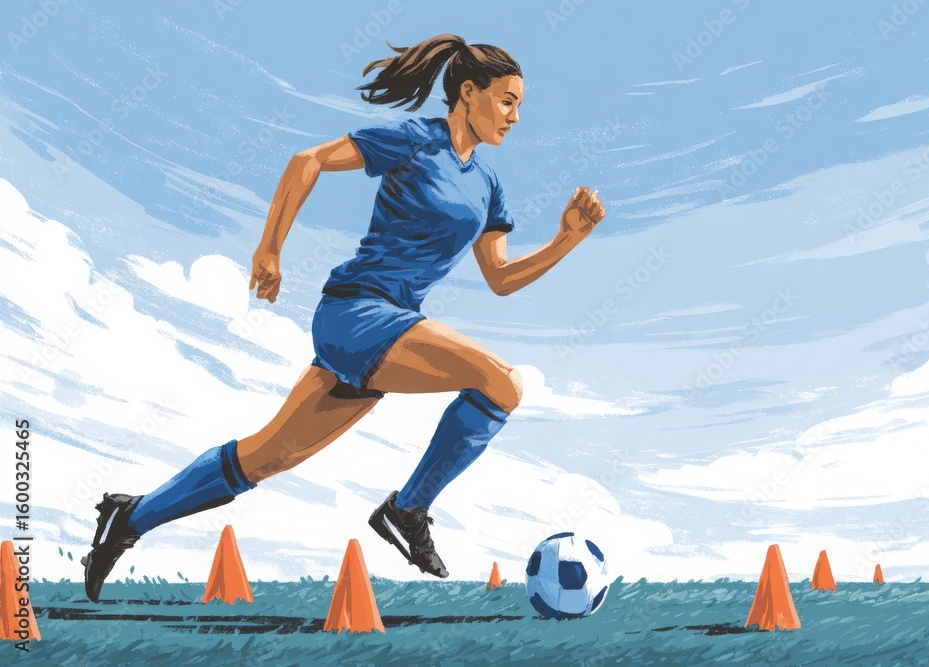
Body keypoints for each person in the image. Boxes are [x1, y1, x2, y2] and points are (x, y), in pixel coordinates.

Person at [81, 33, 606, 602]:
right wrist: (270, 248)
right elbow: (307, 161)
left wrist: (566, 241)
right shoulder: (412, 141)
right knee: (501, 381)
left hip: (392, 327)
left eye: (520, 104)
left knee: (265, 456)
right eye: (507, 100)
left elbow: (501, 279)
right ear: (468, 93)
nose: (516, 116)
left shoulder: (487, 185)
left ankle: (129, 518)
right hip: (356, 312)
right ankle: (408, 510)